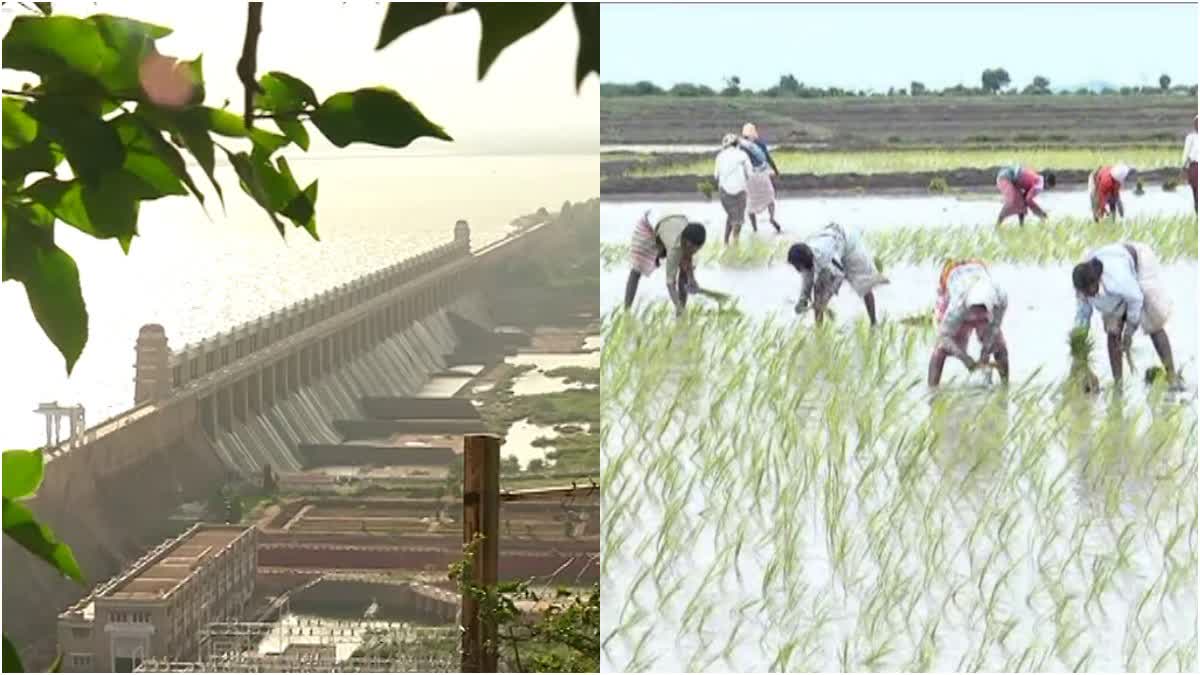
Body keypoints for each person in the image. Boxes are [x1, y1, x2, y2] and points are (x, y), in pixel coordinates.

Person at [1072, 242, 1176, 386]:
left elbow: (1136, 299)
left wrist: (1129, 333)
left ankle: (1172, 376)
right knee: (1112, 330)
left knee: (1153, 321)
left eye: (1088, 292)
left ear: (1096, 282)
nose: (1086, 296)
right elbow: (1082, 317)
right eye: (1083, 293)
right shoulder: (1083, 287)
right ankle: (1118, 385)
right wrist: (1078, 352)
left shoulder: (1117, 279)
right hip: (1113, 269)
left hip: (1140, 264)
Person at [927, 259, 1009, 387]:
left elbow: (995, 327)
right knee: (941, 349)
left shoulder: (1000, 297)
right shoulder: (957, 304)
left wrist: (986, 349)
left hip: (978, 271)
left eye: (980, 312)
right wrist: (963, 357)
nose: (975, 317)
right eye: (974, 311)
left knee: (998, 344)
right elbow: (943, 336)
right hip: (953, 279)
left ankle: (1005, 387)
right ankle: (932, 391)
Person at [787, 222, 886, 325]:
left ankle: (874, 323)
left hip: (849, 244)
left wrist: (825, 299)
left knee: (864, 284)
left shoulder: (825, 256)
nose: (797, 269)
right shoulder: (805, 257)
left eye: (797, 266)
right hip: (833, 242)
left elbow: (839, 275)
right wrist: (803, 299)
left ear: (804, 261)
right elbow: (807, 278)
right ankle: (819, 333)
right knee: (818, 294)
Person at [624, 208, 707, 317]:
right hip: (650, 224)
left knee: (684, 273)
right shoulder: (674, 248)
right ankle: (626, 312)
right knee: (636, 269)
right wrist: (678, 306)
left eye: (696, 250)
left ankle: (680, 316)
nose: (692, 252)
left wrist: (691, 279)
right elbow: (670, 283)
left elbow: (688, 261)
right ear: (685, 242)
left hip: (673, 220)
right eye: (690, 249)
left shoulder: (692, 240)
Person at [738, 123, 782, 234]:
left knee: (750, 202)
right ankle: (772, 218)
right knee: (770, 197)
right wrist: (776, 170)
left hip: (749, 177)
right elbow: (767, 158)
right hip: (762, 174)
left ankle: (754, 228)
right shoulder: (759, 144)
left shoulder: (741, 146)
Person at [714, 133, 752, 244]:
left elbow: (716, 176)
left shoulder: (720, 156)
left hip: (724, 192)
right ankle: (735, 243)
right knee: (737, 219)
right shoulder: (743, 155)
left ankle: (726, 241)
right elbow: (750, 173)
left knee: (732, 215)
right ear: (737, 144)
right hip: (740, 191)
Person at [1184, 115, 1198, 212]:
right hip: (1194, 166)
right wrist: (1184, 167)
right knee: (1194, 189)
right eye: (1196, 123)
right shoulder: (1190, 137)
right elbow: (1186, 153)